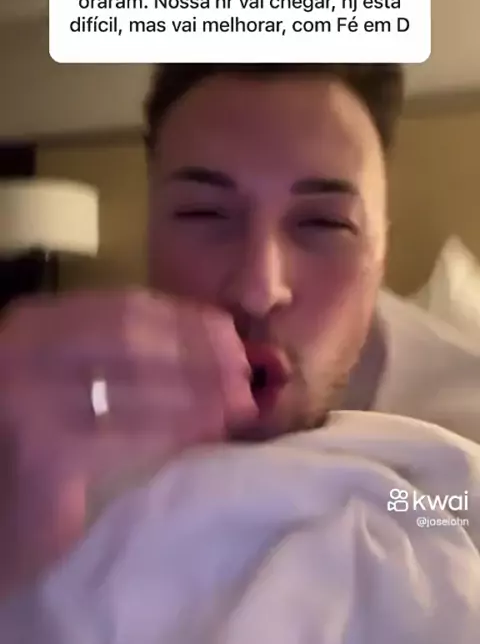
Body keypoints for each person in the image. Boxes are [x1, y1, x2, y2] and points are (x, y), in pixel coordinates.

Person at [1, 64, 479, 639]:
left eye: (324, 223)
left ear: (380, 254)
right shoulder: (38, 440)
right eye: (204, 213)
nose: (258, 287)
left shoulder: (446, 479)